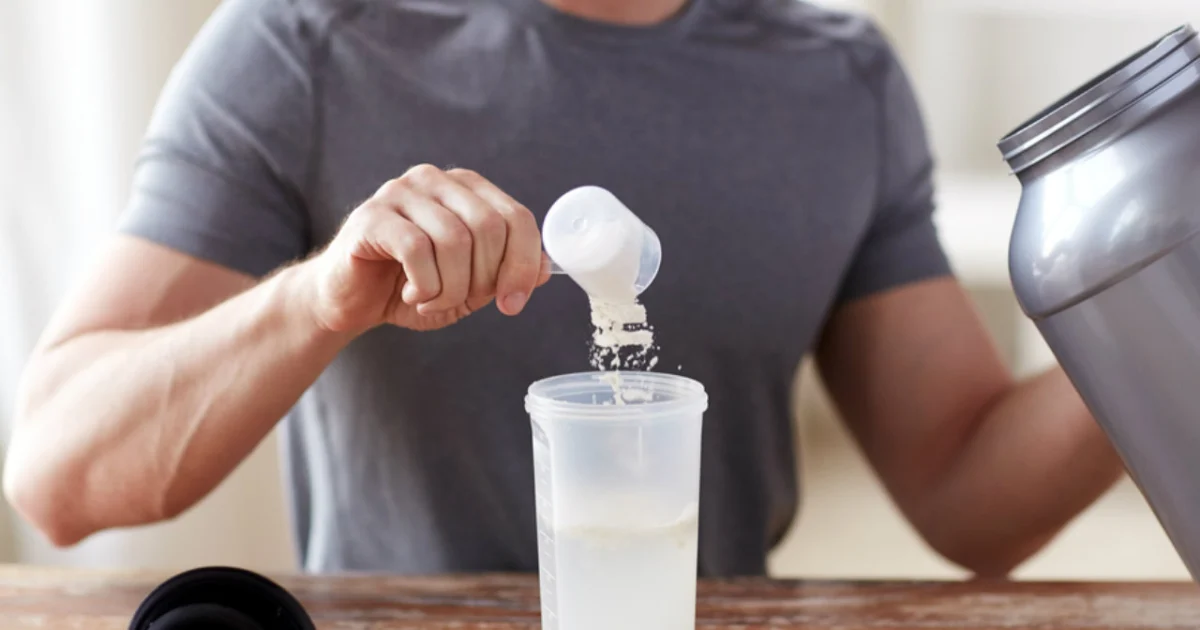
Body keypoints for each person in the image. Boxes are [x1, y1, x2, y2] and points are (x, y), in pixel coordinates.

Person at [4, 0, 1124, 577]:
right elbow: (58, 472)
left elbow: (968, 484)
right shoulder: (309, 44)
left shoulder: (839, 76)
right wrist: (314, 305)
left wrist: (1164, 295)